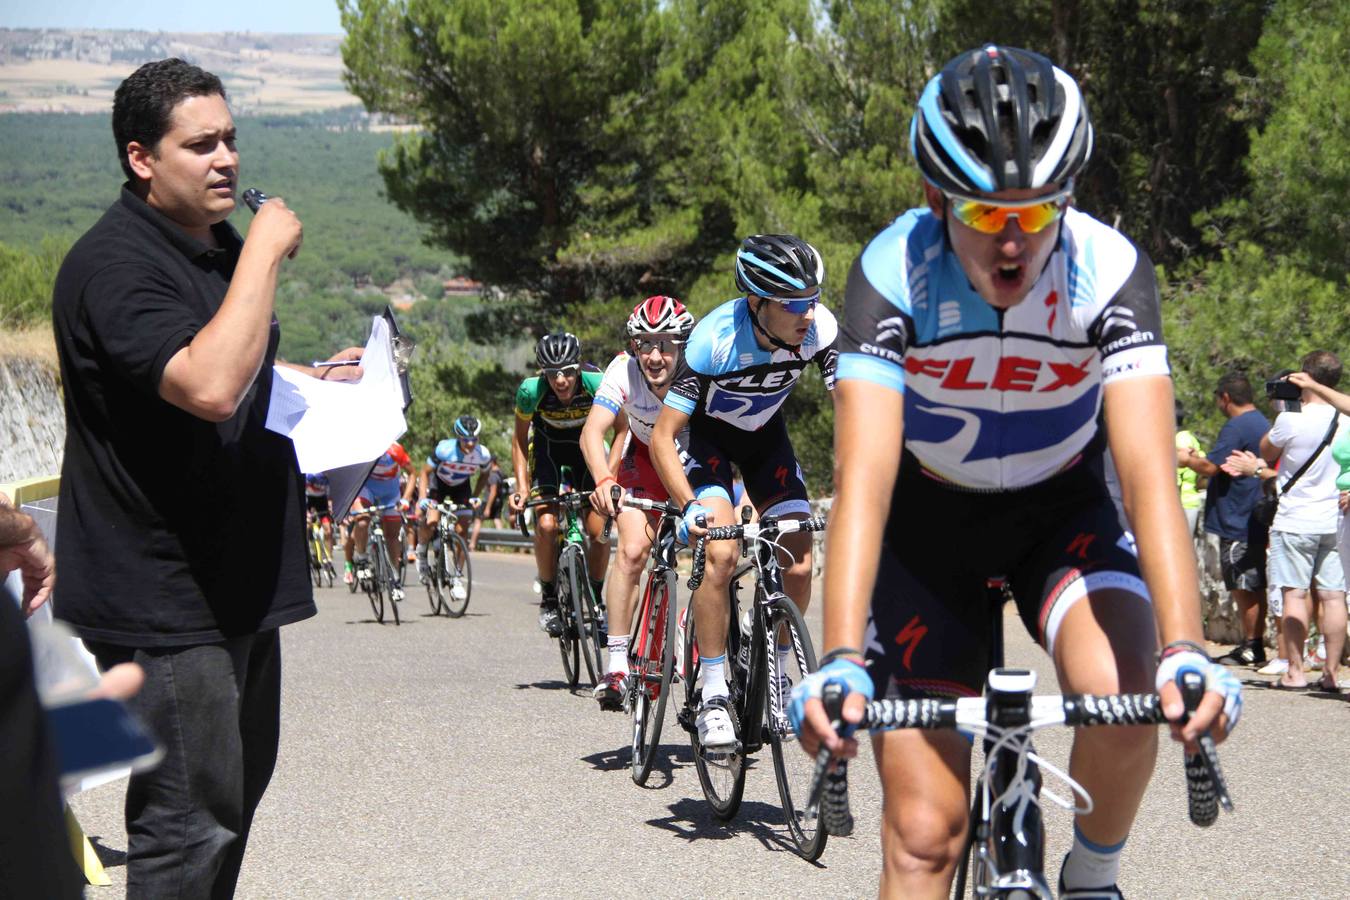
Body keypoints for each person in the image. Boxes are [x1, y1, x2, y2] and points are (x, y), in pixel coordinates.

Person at [790, 46, 1241, 899]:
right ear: (934, 199)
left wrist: (1191, 648)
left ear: (1066, 203)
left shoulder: (1106, 269)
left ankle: (1094, 874)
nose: (1010, 241)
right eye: (983, 212)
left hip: (1061, 511)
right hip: (926, 531)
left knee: (1130, 688)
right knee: (925, 840)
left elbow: (1147, 480)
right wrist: (841, 656)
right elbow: (866, 485)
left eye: (1036, 217)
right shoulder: (893, 273)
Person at [49, 58, 362, 897]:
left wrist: (309, 380)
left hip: (234, 584)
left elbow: (228, 358)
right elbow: (208, 383)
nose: (226, 158)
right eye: (200, 145)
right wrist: (263, 254)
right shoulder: (117, 265)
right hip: (165, 599)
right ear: (141, 159)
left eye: (230, 139)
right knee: (188, 830)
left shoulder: (208, 246)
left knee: (230, 812)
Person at [651, 234, 838, 750]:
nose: (809, 313)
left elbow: (852, 407)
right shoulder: (713, 341)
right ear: (757, 303)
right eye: (796, 303)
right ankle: (712, 692)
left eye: (814, 299)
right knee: (721, 554)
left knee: (799, 560)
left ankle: (775, 667)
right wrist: (689, 506)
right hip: (707, 443)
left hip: (765, 442)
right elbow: (664, 438)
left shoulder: (819, 331)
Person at [580, 296, 695, 709]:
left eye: (666, 343)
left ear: (683, 346)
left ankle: (692, 621)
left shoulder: (699, 371)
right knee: (631, 551)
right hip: (644, 459)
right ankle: (616, 664)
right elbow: (593, 432)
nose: (655, 355)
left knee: (718, 553)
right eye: (645, 343)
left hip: (693, 461)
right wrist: (604, 478)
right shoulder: (622, 371)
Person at [509, 333, 616, 636]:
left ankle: (596, 601)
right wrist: (520, 486)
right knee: (545, 525)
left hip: (586, 452)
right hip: (548, 451)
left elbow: (622, 430)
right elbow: (519, 440)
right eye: (553, 373)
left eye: (568, 371)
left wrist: (610, 477)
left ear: (578, 368)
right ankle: (549, 600)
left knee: (599, 532)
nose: (561, 380)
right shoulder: (531, 391)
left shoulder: (596, 383)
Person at [1256, 353, 1346, 690]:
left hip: (1295, 519)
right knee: (1334, 597)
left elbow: (1266, 453)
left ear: (1303, 376)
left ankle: (1295, 671)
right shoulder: (1346, 418)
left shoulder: (1290, 419)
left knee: (1294, 595)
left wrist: (1281, 410)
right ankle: (1331, 672)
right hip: (1335, 518)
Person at [1178, 373, 1271, 666]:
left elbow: (1209, 467)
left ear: (1226, 398)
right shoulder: (1261, 422)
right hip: (1251, 514)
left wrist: (1186, 459)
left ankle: (1252, 645)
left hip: (1239, 518)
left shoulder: (1236, 426)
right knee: (1250, 581)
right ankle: (1252, 643)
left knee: (1244, 584)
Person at [417, 416, 492, 587]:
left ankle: (457, 576)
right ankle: (421, 552)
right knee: (432, 521)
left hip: (461, 486)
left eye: (474, 440)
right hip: (439, 484)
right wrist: (422, 497)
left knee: (463, 529)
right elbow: (424, 472)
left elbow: (485, 475)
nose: (470, 444)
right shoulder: (444, 449)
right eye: (466, 440)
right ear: (459, 437)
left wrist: (475, 494)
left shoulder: (483, 454)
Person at [344, 441, 416, 600]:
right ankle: (362, 559)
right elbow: (348, 474)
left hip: (390, 492)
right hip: (366, 489)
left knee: (392, 536)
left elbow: (412, 474)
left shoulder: (395, 450)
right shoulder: (360, 448)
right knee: (362, 521)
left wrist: (405, 499)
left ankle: (395, 579)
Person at [1174, 401, 1205, 535]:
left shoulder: (1178, 440)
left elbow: (1177, 477)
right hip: (1191, 502)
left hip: (1182, 503)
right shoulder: (1189, 437)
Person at [304, 472, 335, 560]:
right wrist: (306, 512)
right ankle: (309, 547)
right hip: (308, 499)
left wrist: (330, 507)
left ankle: (329, 556)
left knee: (328, 530)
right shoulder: (309, 475)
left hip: (322, 500)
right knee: (307, 523)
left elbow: (329, 497)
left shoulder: (328, 478)